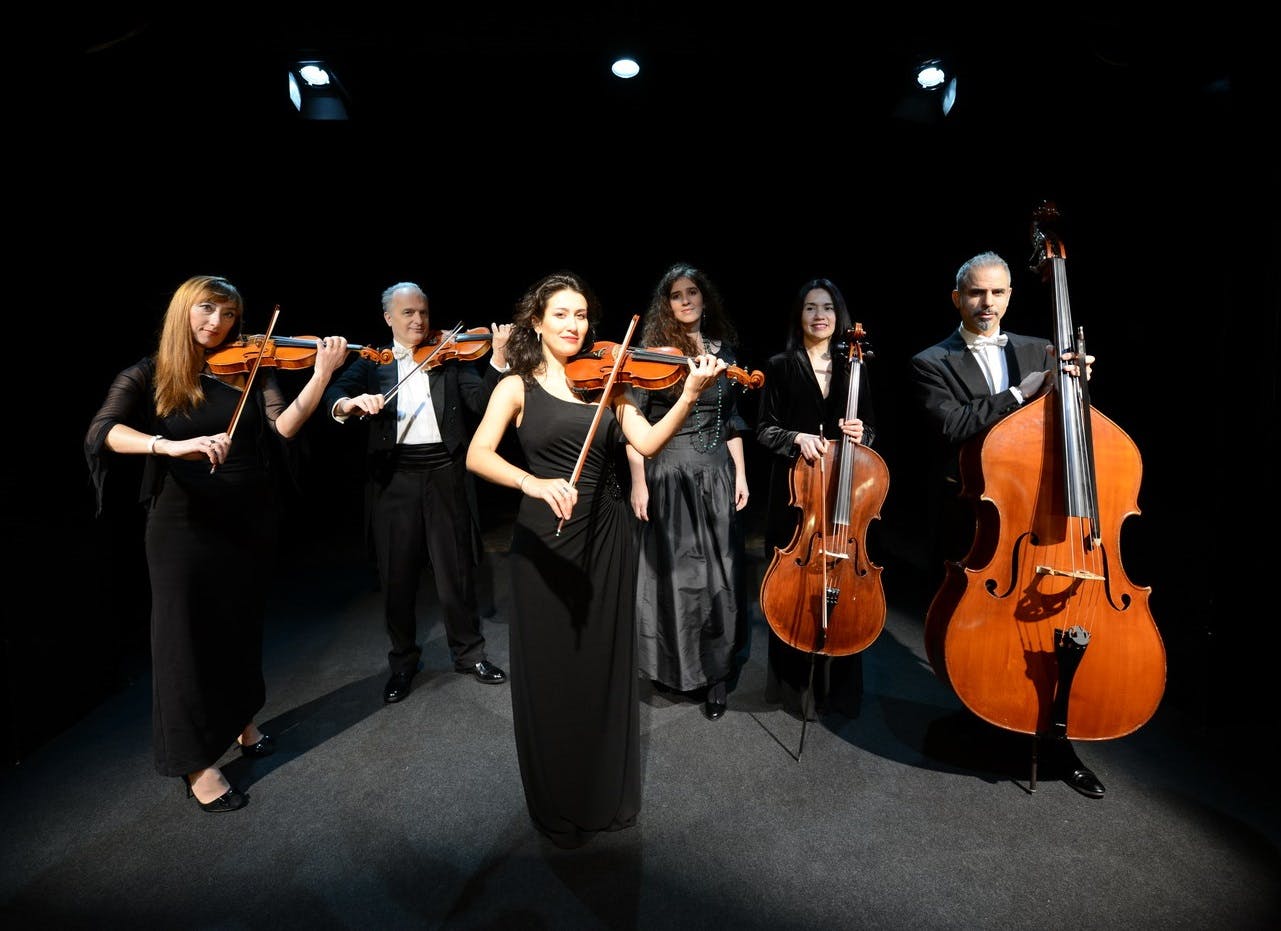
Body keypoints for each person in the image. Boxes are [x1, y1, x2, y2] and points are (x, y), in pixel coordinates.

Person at [465, 270, 727, 849]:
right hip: (544, 541)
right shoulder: (516, 385)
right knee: (552, 671)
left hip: (608, 537)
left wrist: (687, 394)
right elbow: (477, 455)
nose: (573, 325)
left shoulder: (614, 383)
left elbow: (649, 443)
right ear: (537, 320)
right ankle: (557, 799)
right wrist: (533, 484)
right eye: (561, 313)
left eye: (581, 315)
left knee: (601, 668)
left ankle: (601, 791)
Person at [85, 274, 351, 812]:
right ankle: (194, 762)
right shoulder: (150, 372)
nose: (217, 323)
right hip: (182, 524)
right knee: (184, 641)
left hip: (247, 517)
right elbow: (102, 431)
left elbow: (284, 429)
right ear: (184, 309)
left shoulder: (251, 365)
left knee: (237, 628)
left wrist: (321, 375)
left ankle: (240, 721)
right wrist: (167, 446)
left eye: (228, 315)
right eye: (207, 309)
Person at [908, 250, 1104, 799]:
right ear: (958, 298)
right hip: (978, 514)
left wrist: (1076, 388)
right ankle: (990, 720)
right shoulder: (931, 361)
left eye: (997, 293)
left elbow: (1071, 438)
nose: (987, 302)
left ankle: (1059, 734)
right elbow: (953, 425)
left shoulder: (1040, 349)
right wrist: (1023, 391)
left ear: (1011, 295)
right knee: (983, 631)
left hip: (1044, 516)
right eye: (976, 293)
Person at [321, 281, 510, 704]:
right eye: (408, 313)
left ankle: (469, 653)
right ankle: (403, 663)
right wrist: (350, 404)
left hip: (446, 471)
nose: (419, 321)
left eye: (423, 312)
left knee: (456, 571)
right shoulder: (374, 362)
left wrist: (496, 358)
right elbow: (334, 394)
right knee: (397, 575)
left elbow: (481, 403)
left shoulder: (450, 357)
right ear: (389, 317)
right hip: (395, 476)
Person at [625, 263, 750, 721]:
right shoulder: (652, 356)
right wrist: (639, 482)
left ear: (704, 297)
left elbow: (732, 421)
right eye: (676, 295)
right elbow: (632, 427)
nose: (685, 300)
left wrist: (740, 473)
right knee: (676, 577)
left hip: (716, 473)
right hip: (670, 472)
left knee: (720, 576)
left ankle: (716, 674)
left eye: (692, 292)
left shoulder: (726, 352)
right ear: (666, 304)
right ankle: (675, 668)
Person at [756, 278, 876, 719]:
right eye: (810, 307)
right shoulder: (780, 365)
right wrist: (797, 437)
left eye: (827, 307)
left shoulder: (856, 367)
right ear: (799, 315)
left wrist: (864, 433)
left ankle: (839, 692)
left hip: (845, 501)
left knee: (843, 587)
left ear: (838, 315)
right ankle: (793, 690)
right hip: (796, 497)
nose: (819, 315)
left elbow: (874, 428)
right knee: (793, 586)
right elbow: (765, 429)